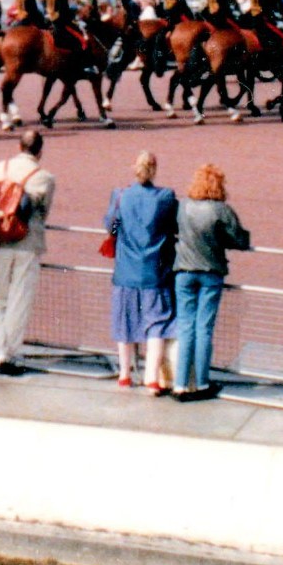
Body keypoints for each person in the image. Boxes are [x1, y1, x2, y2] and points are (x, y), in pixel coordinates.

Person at [172, 163, 251, 400]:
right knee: (203, 328)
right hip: (210, 272)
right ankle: (202, 382)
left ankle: (180, 383)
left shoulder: (183, 206)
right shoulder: (221, 210)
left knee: (185, 328)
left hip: (184, 271)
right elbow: (239, 239)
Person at [103, 150, 178, 393]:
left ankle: (125, 374)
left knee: (125, 323)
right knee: (156, 324)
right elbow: (174, 225)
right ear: (154, 169)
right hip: (154, 272)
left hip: (126, 271)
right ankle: (151, 377)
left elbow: (111, 225)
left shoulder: (120, 195)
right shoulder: (165, 197)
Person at [0, 129, 56, 376]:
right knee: (19, 299)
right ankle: (12, 353)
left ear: (19, 146)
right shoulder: (44, 177)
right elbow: (43, 213)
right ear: (39, 151)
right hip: (27, 242)